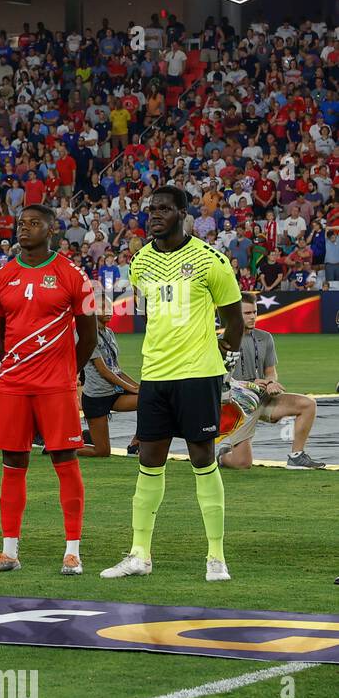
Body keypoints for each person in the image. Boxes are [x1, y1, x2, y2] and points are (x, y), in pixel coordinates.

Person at [101, 185, 244, 582]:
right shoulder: (140, 262)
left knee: (202, 458)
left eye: (164, 209)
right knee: (149, 461)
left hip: (198, 373)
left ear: (184, 213)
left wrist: (222, 349)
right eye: (151, 210)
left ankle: (216, 557)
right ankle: (139, 555)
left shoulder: (210, 260)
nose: (156, 216)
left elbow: (235, 322)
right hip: (155, 375)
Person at [0, 204, 97, 575]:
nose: (24, 229)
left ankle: (72, 552)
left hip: (55, 387)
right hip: (13, 385)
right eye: (20, 223)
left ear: (52, 229)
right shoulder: (1, 277)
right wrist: (12, 363)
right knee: (13, 463)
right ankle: (8, 551)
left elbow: (89, 336)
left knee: (65, 461)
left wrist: (67, 372)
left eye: (33, 223)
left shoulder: (73, 275)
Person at [219, 293, 326, 470]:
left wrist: (270, 383)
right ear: (236, 315)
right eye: (247, 313)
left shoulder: (265, 338)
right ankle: (223, 456)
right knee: (242, 463)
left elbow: (270, 372)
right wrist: (251, 384)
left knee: (308, 404)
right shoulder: (222, 342)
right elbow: (220, 381)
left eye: (254, 312)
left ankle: (297, 457)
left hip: (264, 398)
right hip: (239, 405)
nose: (253, 316)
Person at [80, 307, 140, 458]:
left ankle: (136, 444)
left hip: (115, 393)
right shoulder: (87, 335)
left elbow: (116, 368)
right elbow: (104, 371)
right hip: (97, 397)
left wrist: (138, 386)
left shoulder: (109, 333)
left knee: (150, 399)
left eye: (109, 307)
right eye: (102, 308)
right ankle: (60, 449)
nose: (108, 311)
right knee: (102, 452)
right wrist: (132, 389)